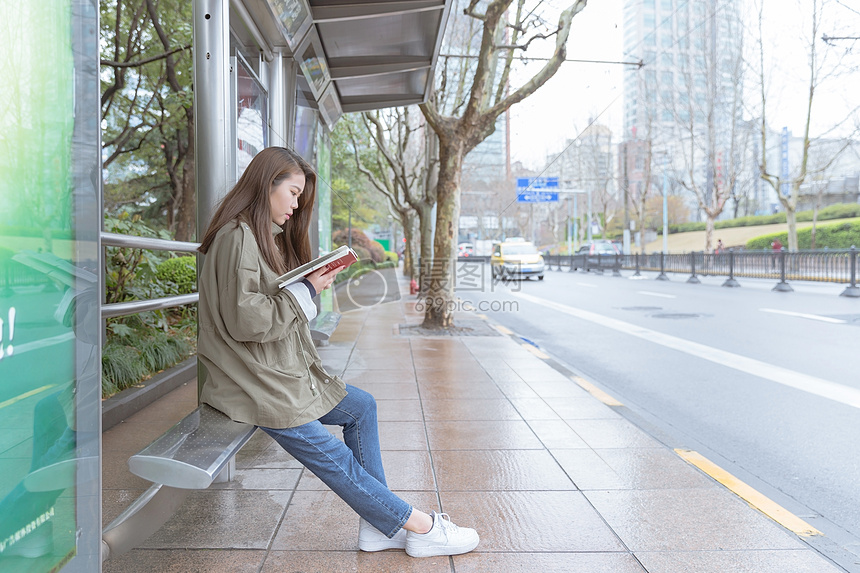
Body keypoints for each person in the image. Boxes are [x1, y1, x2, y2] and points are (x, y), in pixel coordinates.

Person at [195, 147, 479, 558]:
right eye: (292, 193)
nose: (295, 205)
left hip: (273, 374)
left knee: (360, 407)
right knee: (333, 457)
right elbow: (247, 322)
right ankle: (419, 525)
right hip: (254, 384)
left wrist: (307, 284)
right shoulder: (238, 237)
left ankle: (378, 528)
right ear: (266, 184)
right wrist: (308, 289)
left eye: (300, 197)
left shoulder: (255, 237)